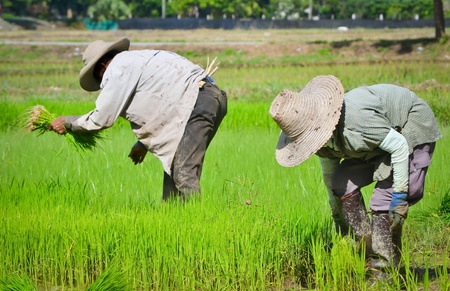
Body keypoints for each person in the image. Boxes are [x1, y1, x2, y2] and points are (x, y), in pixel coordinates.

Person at [269, 75, 441, 278]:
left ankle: (385, 271)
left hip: (407, 127)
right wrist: (338, 218)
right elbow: (330, 176)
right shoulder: (322, 142)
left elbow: (399, 145)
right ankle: (365, 247)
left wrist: (400, 194)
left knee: (383, 200)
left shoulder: (356, 121)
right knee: (341, 183)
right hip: (374, 143)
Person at [50, 38, 227, 202]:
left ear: (101, 66)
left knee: (183, 172)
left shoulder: (117, 69)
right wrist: (143, 144)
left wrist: (68, 122)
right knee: (175, 168)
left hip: (197, 100)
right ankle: (174, 221)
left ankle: (198, 222)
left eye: (99, 78)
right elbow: (164, 106)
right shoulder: (136, 60)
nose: (102, 83)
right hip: (209, 97)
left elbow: (101, 118)